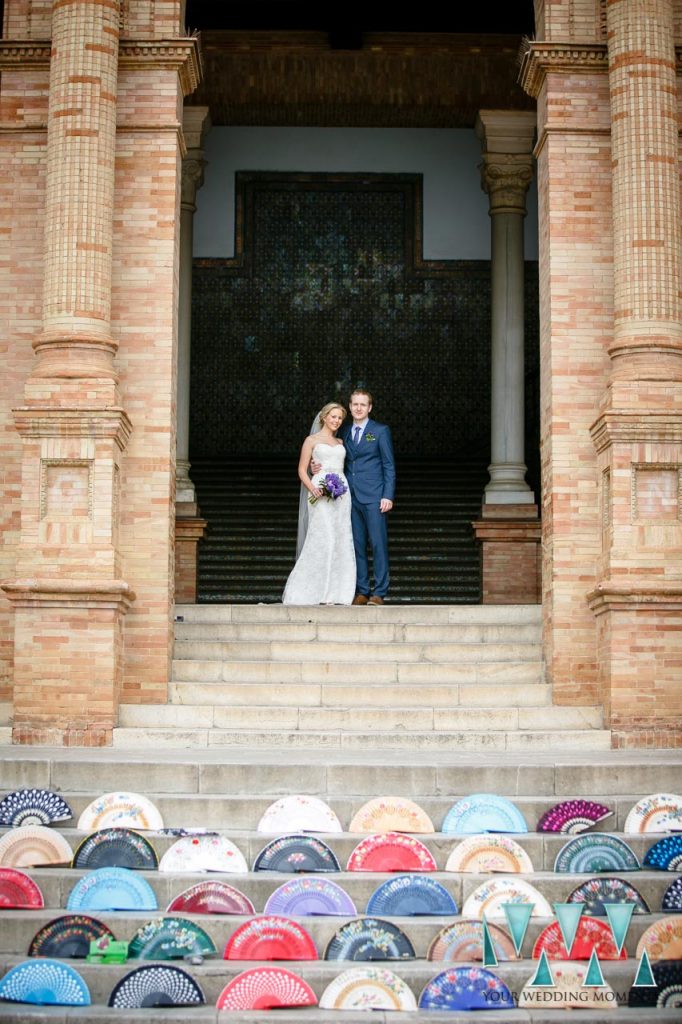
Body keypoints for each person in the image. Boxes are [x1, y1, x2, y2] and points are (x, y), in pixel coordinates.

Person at [315, 389, 395, 605]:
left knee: (378, 544)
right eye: (355, 404)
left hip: (375, 497)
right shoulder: (345, 432)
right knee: (356, 545)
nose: (358, 408)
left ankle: (379, 592)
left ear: (369, 407)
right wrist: (317, 465)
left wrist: (388, 494)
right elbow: (335, 457)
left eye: (363, 404)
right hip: (349, 497)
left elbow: (388, 465)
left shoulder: (380, 431)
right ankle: (362, 590)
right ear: (350, 407)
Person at [282, 403, 356, 605]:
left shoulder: (341, 440)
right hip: (318, 490)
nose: (336, 421)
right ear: (324, 417)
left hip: (342, 493)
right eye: (333, 417)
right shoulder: (311, 440)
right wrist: (312, 487)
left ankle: (336, 592)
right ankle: (312, 590)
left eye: (340, 418)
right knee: (323, 536)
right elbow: (301, 469)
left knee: (340, 537)